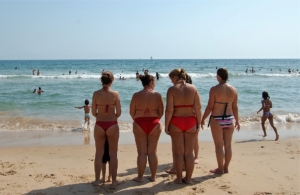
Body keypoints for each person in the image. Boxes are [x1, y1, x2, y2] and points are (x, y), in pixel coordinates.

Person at [165, 68, 202, 184]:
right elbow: (198, 108)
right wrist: (199, 123)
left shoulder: (172, 90)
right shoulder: (193, 88)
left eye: (172, 79)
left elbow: (169, 110)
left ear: (175, 77)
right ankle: (189, 179)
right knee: (189, 153)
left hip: (176, 122)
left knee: (178, 152)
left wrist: (166, 125)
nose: (172, 82)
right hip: (191, 121)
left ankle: (179, 179)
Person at [200, 68, 240, 174]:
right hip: (230, 119)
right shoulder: (234, 90)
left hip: (217, 119)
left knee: (218, 145)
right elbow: (235, 108)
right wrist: (238, 121)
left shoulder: (214, 89)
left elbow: (209, 107)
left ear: (219, 76)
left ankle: (220, 168)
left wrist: (203, 118)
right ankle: (226, 168)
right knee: (228, 145)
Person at [130, 74, 164, 182]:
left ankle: (140, 177)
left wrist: (139, 117)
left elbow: (132, 112)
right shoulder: (158, 95)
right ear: (150, 83)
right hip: (154, 122)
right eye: (154, 82)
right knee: (153, 152)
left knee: (141, 153)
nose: (154, 84)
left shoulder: (136, 95)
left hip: (139, 122)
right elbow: (161, 112)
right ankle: (153, 177)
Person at [92, 71, 122, 186]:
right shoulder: (115, 94)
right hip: (112, 124)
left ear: (101, 81)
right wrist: (112, 116)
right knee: (113, 154)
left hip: (99, 124)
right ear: (112, 81)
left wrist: (101, 116)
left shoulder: (95, 94)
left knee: (99, 153)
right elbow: (118, 112)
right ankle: (114, 181)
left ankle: (97, 180)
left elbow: (94, 112)